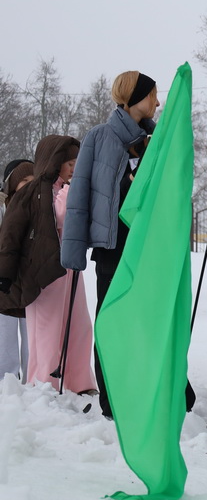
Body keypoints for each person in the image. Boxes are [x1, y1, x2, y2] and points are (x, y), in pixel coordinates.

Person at [61, 71, 195, 419]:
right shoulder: (100, 137)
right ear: (134, 96)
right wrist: (73, 251)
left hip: (149, 247)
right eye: (152, 95)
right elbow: (81, 194)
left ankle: (162, 390)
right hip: (112, 246)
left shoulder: (156, 140)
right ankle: (113, 399)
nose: (157, 102)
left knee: (152, 318)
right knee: (112, 322)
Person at [0, 136, 96, 394]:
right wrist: (5, 273)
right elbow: (10, 236)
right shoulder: (34, 193)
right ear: (55, 161)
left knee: (79, 326)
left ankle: (79, 382)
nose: (74, 167)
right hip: (44, 273)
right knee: (47, 332)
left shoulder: (64, 188)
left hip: (70, 268)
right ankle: (44, 384)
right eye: (69, 162)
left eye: (76, 162)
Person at [0, 159, 34, 381]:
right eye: (24, 180)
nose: (29, 184)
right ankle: (7, 380)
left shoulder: (39, 205)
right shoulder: (3, 208)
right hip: (5, 282)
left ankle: (32, 379)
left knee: (32, 334)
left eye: (33, 179)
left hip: (31, 282)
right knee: (5, 336)